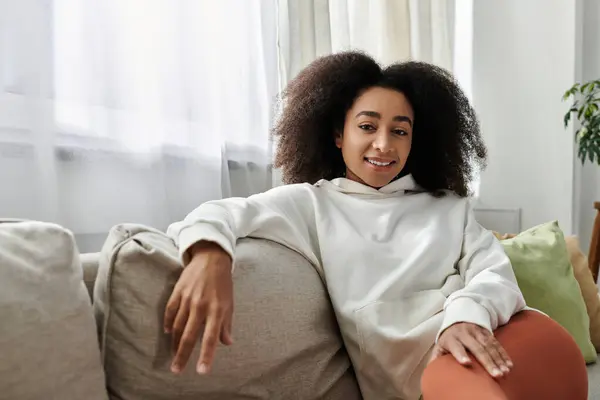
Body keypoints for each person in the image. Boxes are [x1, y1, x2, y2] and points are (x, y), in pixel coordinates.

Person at [163, 52, 588, 399]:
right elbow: (220, 213)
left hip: (505, 339)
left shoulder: (448, 207)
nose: (384, 145)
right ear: (337, 134)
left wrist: (465, 317)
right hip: (437, 379)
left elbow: (495, 274)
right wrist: (210, 256)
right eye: (367, 126)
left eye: (399, 132)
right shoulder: (311, 204)